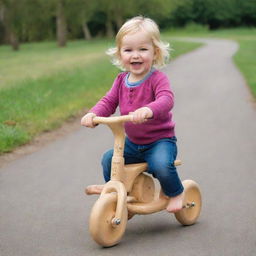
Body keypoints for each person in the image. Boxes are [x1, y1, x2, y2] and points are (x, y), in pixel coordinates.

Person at [81, 16, 184, 213]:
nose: (135, 55)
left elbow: (166, 99)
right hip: (133, 143)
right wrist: (93, 114)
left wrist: (149, 109)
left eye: (143, 49)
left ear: (155, 52)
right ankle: (116, 191)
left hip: (160, 141)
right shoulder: (121, 80)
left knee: (161, 165)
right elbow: (109, 101)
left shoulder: (157, 79)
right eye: (128, 50)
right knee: (109, 159)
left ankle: (176, 191)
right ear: (120, 54)